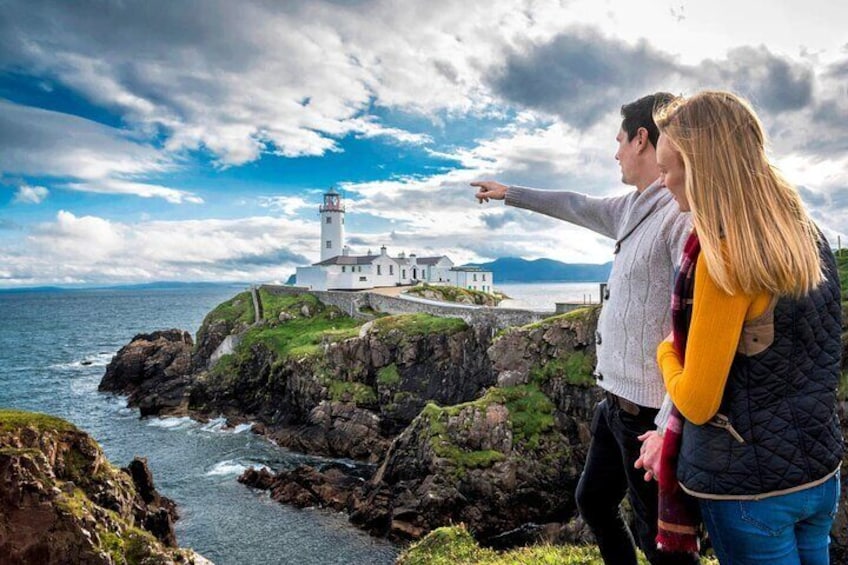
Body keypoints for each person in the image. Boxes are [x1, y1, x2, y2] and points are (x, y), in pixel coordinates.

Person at [472, 92, 699, 565]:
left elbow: (697, 324)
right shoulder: (631, 208)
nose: (615, 152)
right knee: (592, 501)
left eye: (619, 141)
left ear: (642, 139)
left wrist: (667, 425)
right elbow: (574, 204)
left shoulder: (679, 214)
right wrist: (509, 193)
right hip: (613, 404)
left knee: (663, 545)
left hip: (648, 415)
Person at [650, 90, 843, 563]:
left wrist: (665, 351)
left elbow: (697, 402)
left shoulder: (724, 258)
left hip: (750, 488)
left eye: (668, 167)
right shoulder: (806, 235)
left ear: (701, 167)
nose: (663, 181)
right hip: (818, 473)